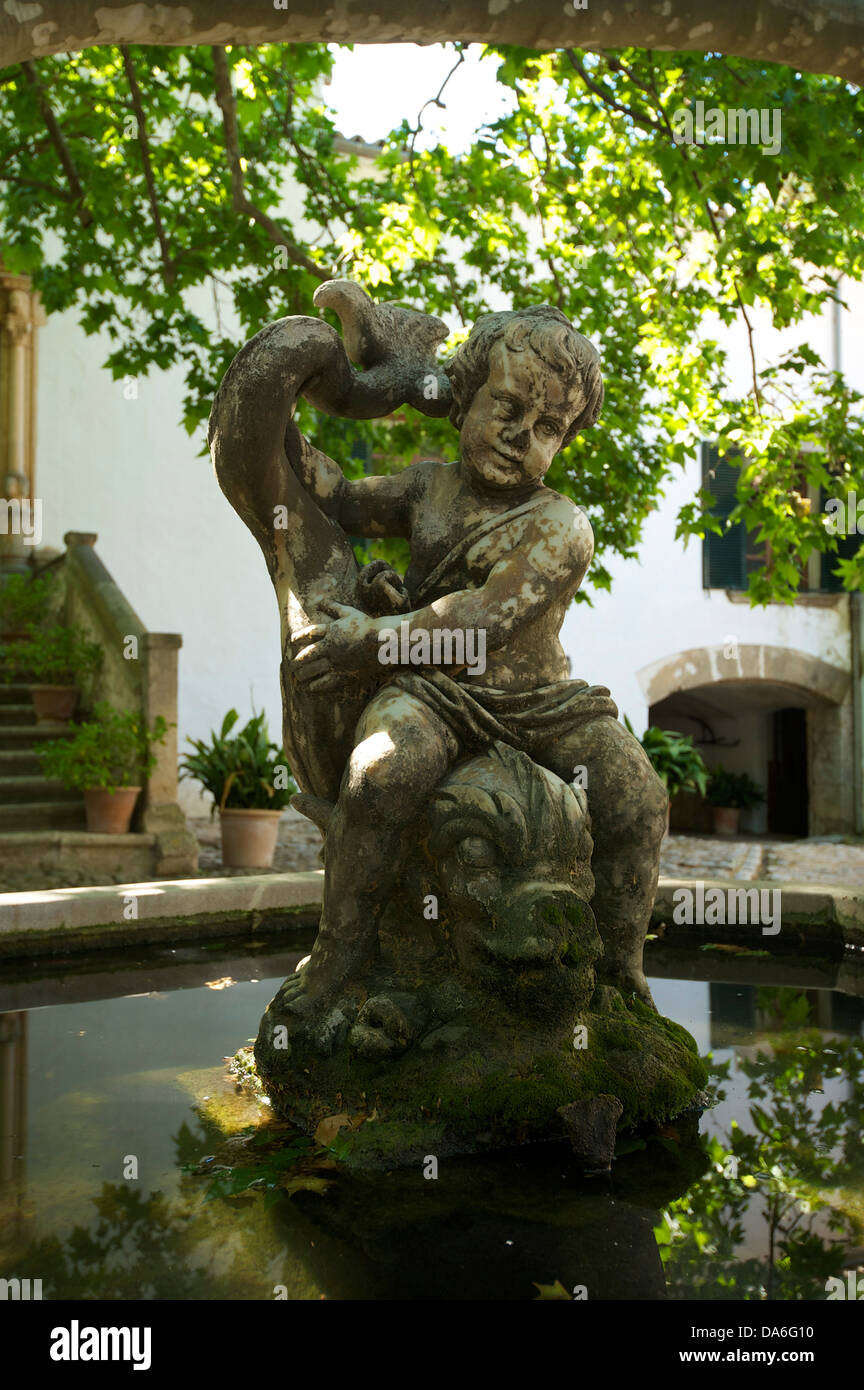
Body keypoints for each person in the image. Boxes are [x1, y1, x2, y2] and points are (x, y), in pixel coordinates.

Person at [281, 305, 667, 1014]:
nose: (521, 437)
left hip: (539, 703)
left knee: (639, 800)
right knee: (378, 776)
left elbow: (477, 622)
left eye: (548, 428)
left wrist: (369, 641)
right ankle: (339, 957)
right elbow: (340, 500)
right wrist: (278, 426)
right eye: (508, 408)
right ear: (462, 399)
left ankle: (619, 971)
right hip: (432, 690)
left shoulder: (560, 525)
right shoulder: (429, 488)